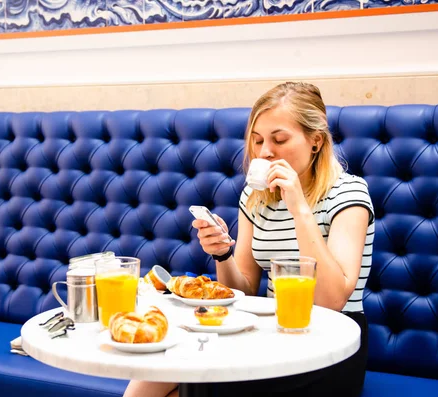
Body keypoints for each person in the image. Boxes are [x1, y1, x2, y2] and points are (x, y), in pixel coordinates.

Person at [123, 81, 374, 397]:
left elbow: (330, 301)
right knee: (157, 371)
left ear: (316, 141)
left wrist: (299, 206)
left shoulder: (348, 193)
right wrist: (222, 254)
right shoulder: (256, 197)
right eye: (257, 141)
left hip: (331, 343)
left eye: (279, 139)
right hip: (272, 333)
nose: (265, 151)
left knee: (194, 386)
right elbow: (242, 290)